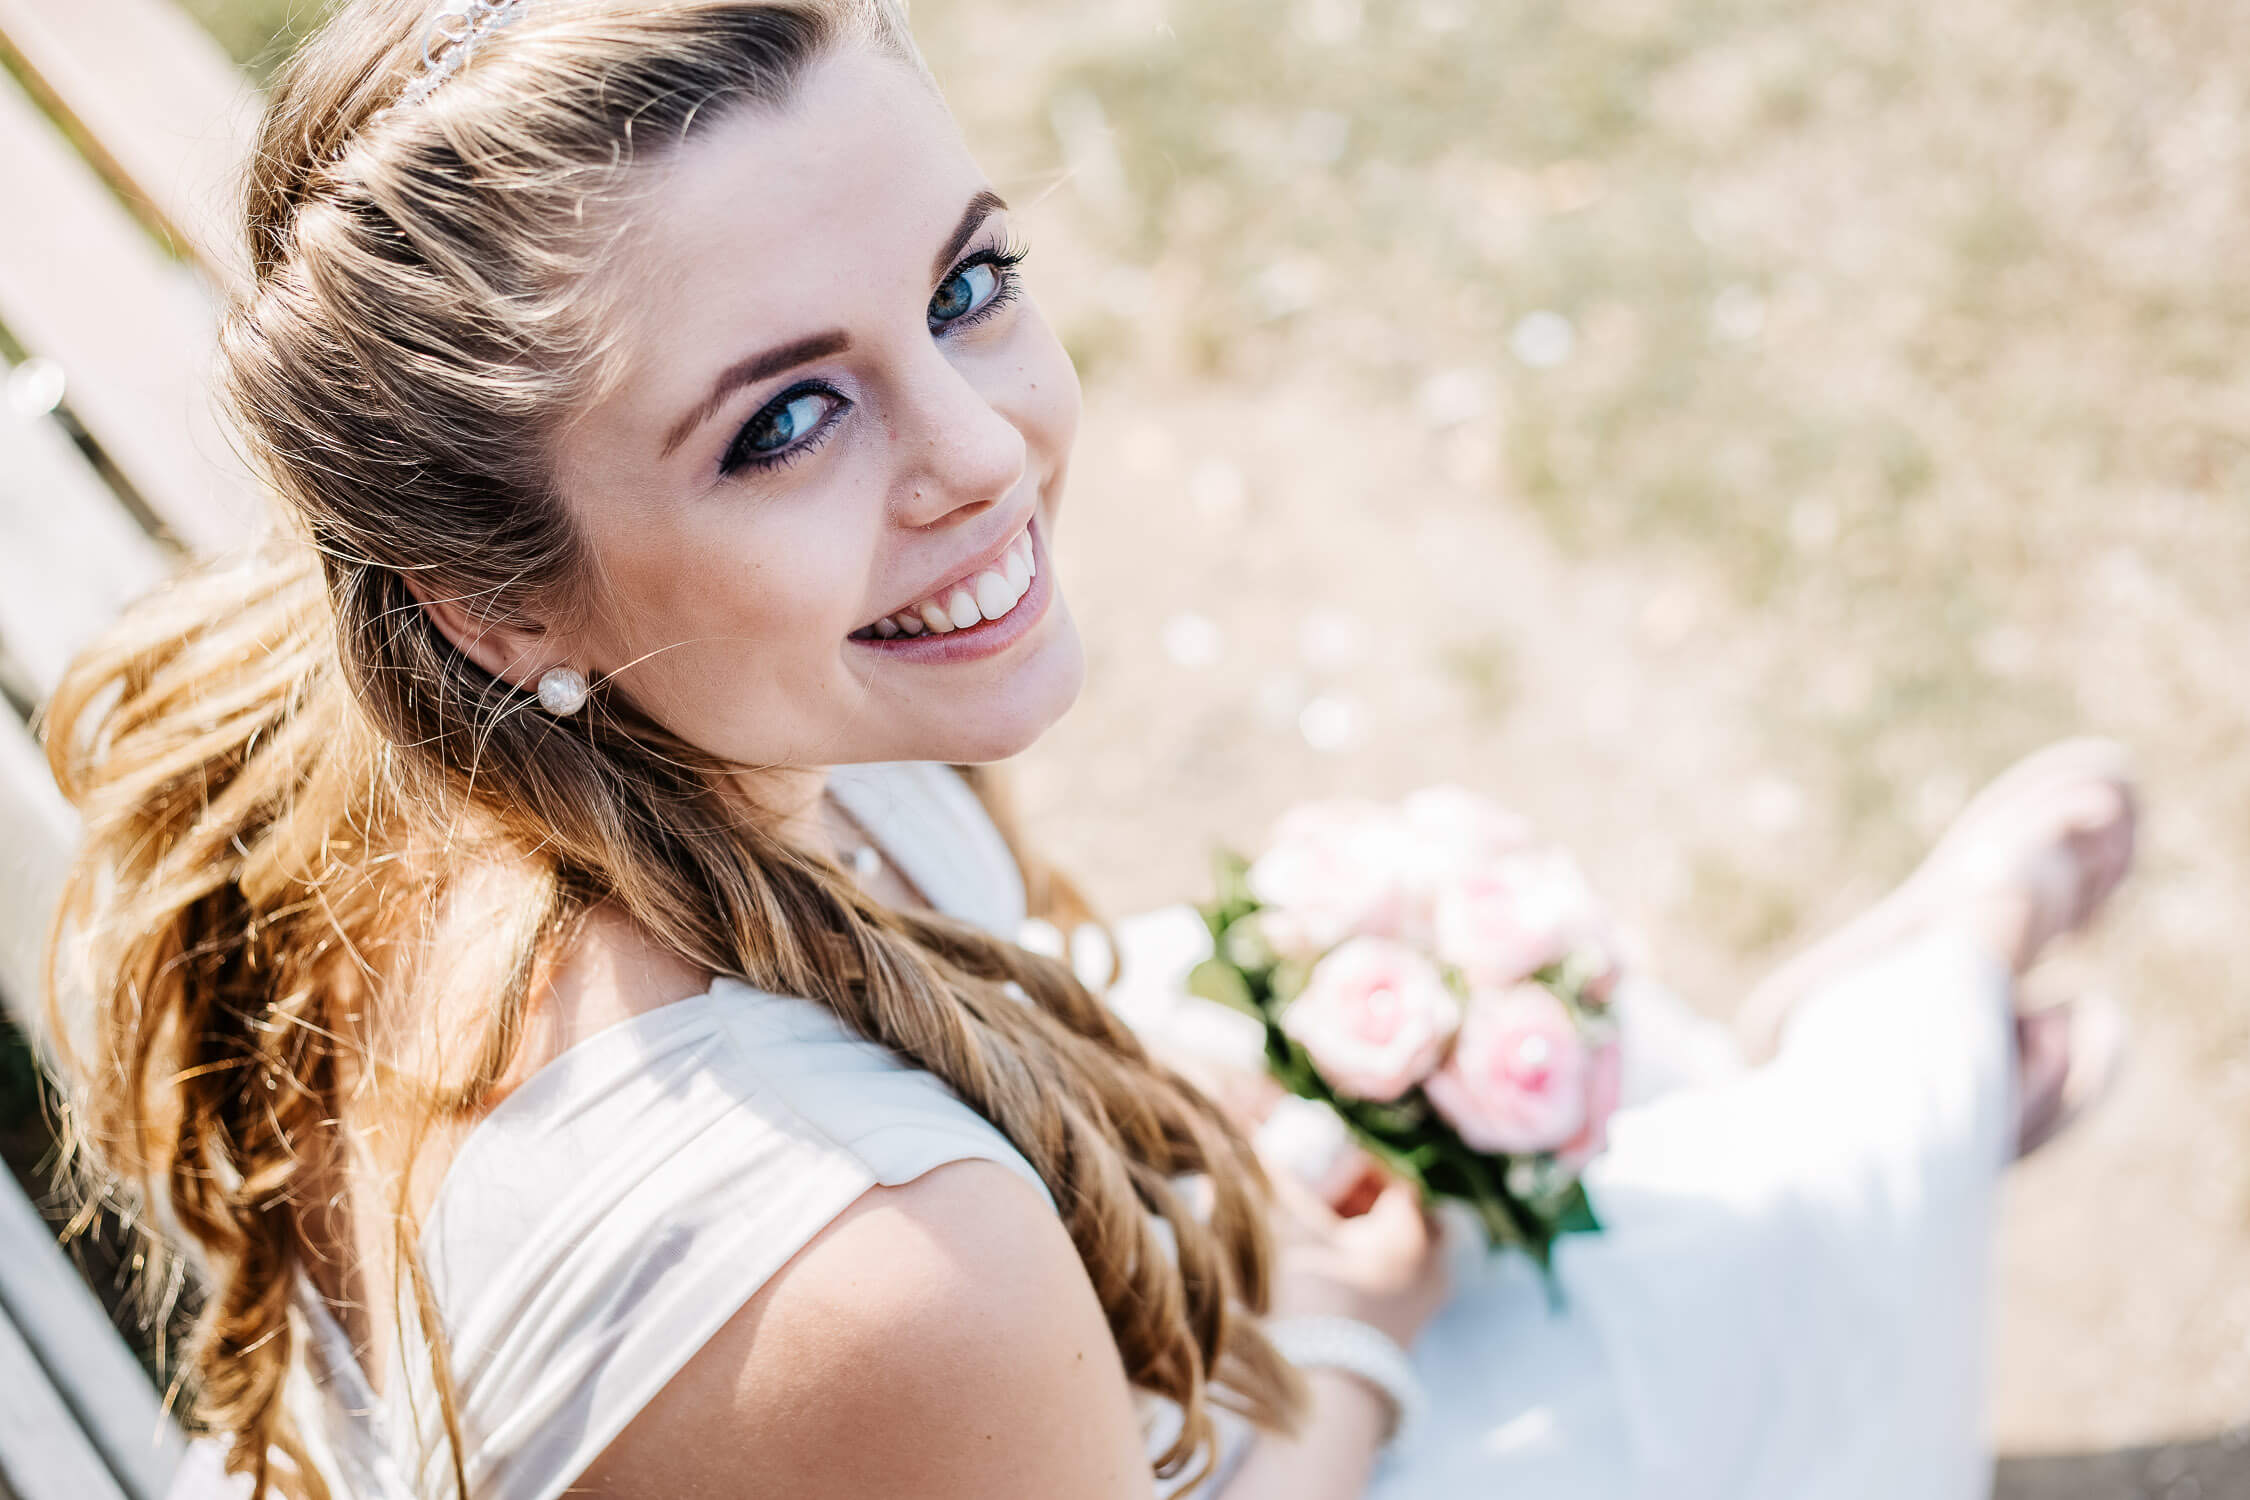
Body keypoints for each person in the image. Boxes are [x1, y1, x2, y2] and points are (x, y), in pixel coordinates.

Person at [36, 3, 2134, 1499]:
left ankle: (1862, 1079)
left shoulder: (495, 739)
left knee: (1593, 1128)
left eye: (967, 284)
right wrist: (1347, 1334)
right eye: (785, 419)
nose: (981, 453)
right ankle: (1909, 1055)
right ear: (501, 605)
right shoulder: (866, 1264)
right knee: (1737, 1272)